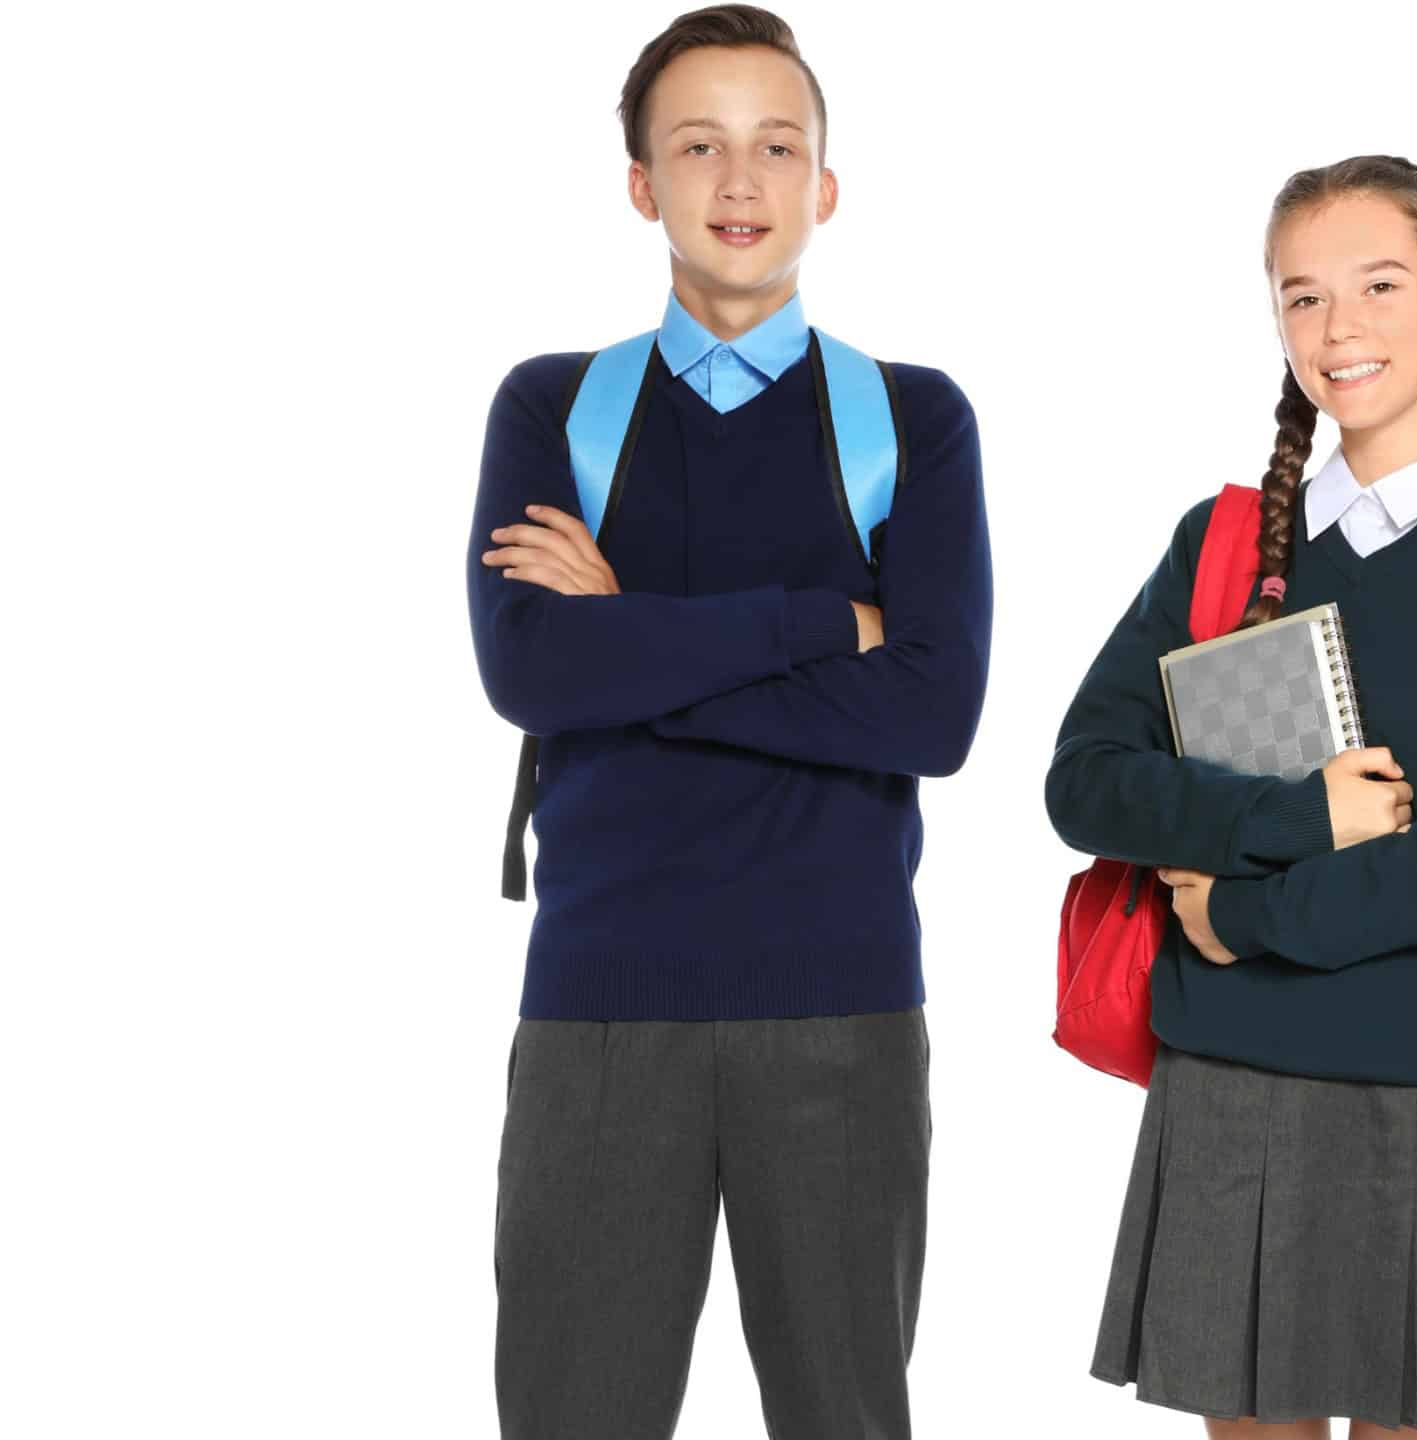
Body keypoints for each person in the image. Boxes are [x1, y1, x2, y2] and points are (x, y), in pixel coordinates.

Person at [464, 7, 991, 1436]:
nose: (740, 182)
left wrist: (627, 625)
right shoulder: (554, 407)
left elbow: (935, 708)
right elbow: (531, 673)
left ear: (827, 186)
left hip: (841, 1009)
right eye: (699, 146)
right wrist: (828, 618)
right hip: (599, 1009)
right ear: (643, 181)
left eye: (778, 148)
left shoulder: (914, 419)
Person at [1046, 155, 1417, 1437]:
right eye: (1301, 298)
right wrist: (1298, 818)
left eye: (1378, 284)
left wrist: (1251, 916)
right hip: (1236, 1071)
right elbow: (1086, 782)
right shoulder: (1225, 541)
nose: (1338, 327)